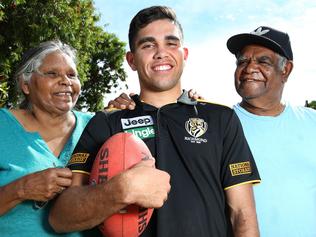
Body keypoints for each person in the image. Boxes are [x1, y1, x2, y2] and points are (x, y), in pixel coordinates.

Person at [49, 6, 261, 237]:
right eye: (148, 45)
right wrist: (118, 191)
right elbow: (60, 217)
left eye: (171, 43)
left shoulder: (221, 118)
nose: (161, 53)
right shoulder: (106, 122)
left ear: (184, 54)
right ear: (131, 60)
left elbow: (242, 214)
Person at [226, 26, 316, 236]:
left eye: (263, 61)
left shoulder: (312, 122)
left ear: (286, 70)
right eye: (242, 61)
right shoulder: (218, 126)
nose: (249, 68)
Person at [0, 40, 96, 236]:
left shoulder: (99, 125)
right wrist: (21, 189)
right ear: (26, 85)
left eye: (72, 75)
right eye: (52, 73)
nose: (65, 81)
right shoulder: (3, 125)